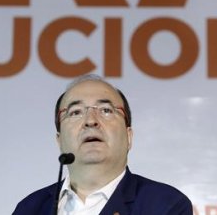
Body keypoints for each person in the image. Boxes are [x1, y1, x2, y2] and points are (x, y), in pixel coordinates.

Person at [13, 74, 193, 215]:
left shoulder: (165, 204)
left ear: (129, 137)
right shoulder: (30, 208)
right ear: (59, 141)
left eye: (106, 110)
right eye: (75, 112)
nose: (91, 120)